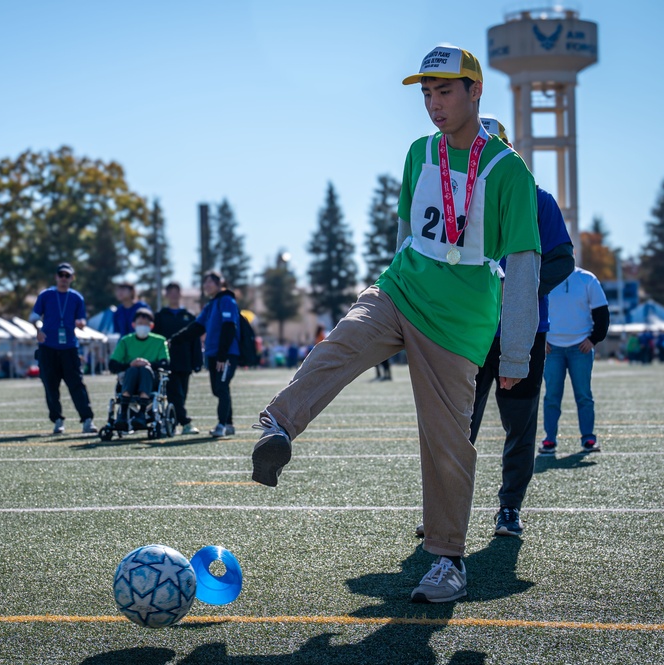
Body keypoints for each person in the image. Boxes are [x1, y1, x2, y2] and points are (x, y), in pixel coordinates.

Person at [250, 45, 541, 604]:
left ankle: (448, 562)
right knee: (340, 343)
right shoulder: (418, 152)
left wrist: (515, 354)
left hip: (458, 322)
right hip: (401, 289)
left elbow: (524, 267)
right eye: (427, 94)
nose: (434, 104)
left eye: (444, 91)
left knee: (447, 444)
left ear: (475, 91)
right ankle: (278, 427)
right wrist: (391, 280)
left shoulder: (509, 172)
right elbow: (407, 230)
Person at [452, 116, 574, 538]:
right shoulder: (454, 199)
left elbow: (563, 261)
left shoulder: (538, 199)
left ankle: (509, 508)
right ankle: (446, 511)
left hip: (522, 334)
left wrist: (515, 290)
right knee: (455, 426)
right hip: (467, 333)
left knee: (519, 426)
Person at [540, 267, 610, 455]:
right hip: (551, 348)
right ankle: (549, 439)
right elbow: (533, 308)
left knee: (584, 395)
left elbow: (602, 312)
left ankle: (588, 438)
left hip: (581, 348)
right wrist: (540, 339)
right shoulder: (544, 275)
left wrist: (594, 339)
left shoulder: (587, 279)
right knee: (551, 396)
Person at [171, 270, 242, 438]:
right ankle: (229, 424)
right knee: (218, 390)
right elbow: (197, 327)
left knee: (221, 387)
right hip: (212, 354)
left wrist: (223, 355)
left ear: (220, 283)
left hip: (225, 355)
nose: (206, 285)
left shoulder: (226, 300)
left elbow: (229, 327)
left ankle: (221, 425)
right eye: (205, 282)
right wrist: (175, 339)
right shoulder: (211, 305)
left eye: (210, 282)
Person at [30, 262, 97, 435]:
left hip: (69, 347)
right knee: (50, 385)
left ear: (72, 278)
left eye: (68, 275)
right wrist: (38, 330)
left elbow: (82, 318)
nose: (64, 278)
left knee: (76, 384)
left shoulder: (76, 298)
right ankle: (58, 420)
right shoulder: (46, 295)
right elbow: (35, 316)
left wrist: (81, 323)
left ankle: (87, 420)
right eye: (61, 275)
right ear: (56, 277)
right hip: (48, 347)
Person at [108, 308, 170, 431]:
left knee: (144, 369)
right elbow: (113, 364)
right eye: (139, 323)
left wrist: (147, 364)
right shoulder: (126, 341)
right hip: (130, 377)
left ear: (151, 326)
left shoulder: (159, 341)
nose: (142, 326)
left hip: (151, 380)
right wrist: (131, 364)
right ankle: (123, 414)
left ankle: (141, 412)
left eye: (145, 324)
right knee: (133, 370)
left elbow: (165, 363)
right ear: (133, 325)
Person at [154, 282, 204, 435]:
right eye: (171, 292)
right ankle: (185, 423)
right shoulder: (160, 316)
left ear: (180, 294)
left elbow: (195, 341)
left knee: (182, 395)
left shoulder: (189, 316)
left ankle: (172, 423)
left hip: (185, 361)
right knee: (175, 394)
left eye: (176, 291)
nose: (174, 295)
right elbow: (155, 340)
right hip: (167, 363)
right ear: (166, 295)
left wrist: (197, 361)